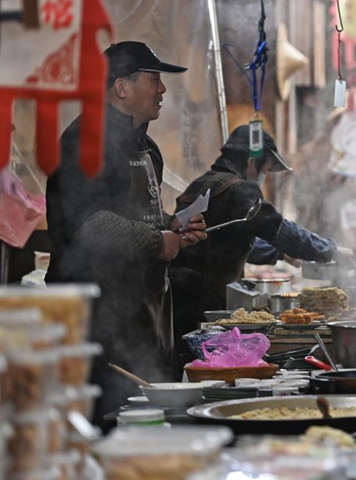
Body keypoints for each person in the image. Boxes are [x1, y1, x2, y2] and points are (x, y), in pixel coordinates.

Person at [46, 41, 207, 426]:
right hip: (98, 319)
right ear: (122, 87)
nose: (162, 90)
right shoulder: (84, 142)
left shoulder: (145, 145)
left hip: (144, 311)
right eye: (154, 79)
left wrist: (172, 224)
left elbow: (132, 212)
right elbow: (89, 224)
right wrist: (157, 241)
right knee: (109, 424)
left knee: (150, 420)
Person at [168, 125, 354, 357]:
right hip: (203, 300)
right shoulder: (239, 190)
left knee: (187, 360)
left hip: (178, 296)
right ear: (251, 162)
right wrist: (330, 250)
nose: (263, 177)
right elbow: (278, 228)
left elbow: (228, 238)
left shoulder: (202, 183)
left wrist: (280, 254)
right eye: (264, 169)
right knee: (204, 362)